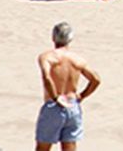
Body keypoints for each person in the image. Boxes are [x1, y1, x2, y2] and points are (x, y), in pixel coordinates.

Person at [35, 22, 100, 151]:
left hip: (55, 105)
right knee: (69, 146)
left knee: (43, 147)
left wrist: (55, 97)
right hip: (73, 105)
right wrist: (82, 96)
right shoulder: (77, 59)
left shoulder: (47, 57)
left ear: (53, 37)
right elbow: (95, 79)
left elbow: (47, 77)